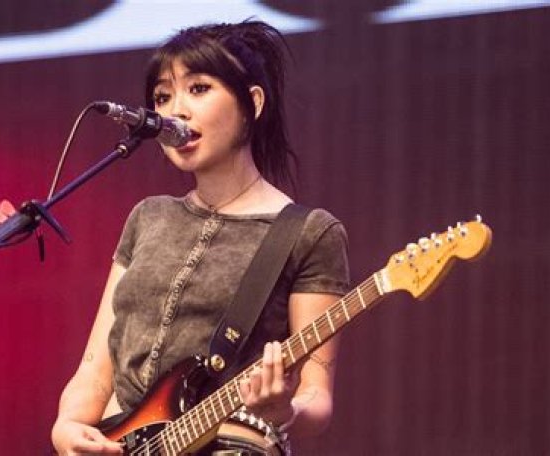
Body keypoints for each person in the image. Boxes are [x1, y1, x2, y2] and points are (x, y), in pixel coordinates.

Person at [51, 20, 350, 455]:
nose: (177, 110)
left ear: (253, 102)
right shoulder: (148, 217)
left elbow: (316, 396)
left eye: (198, 89)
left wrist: (283, 410)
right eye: (162, 97)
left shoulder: (308, 232)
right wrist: (67, 427)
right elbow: (96, 371)